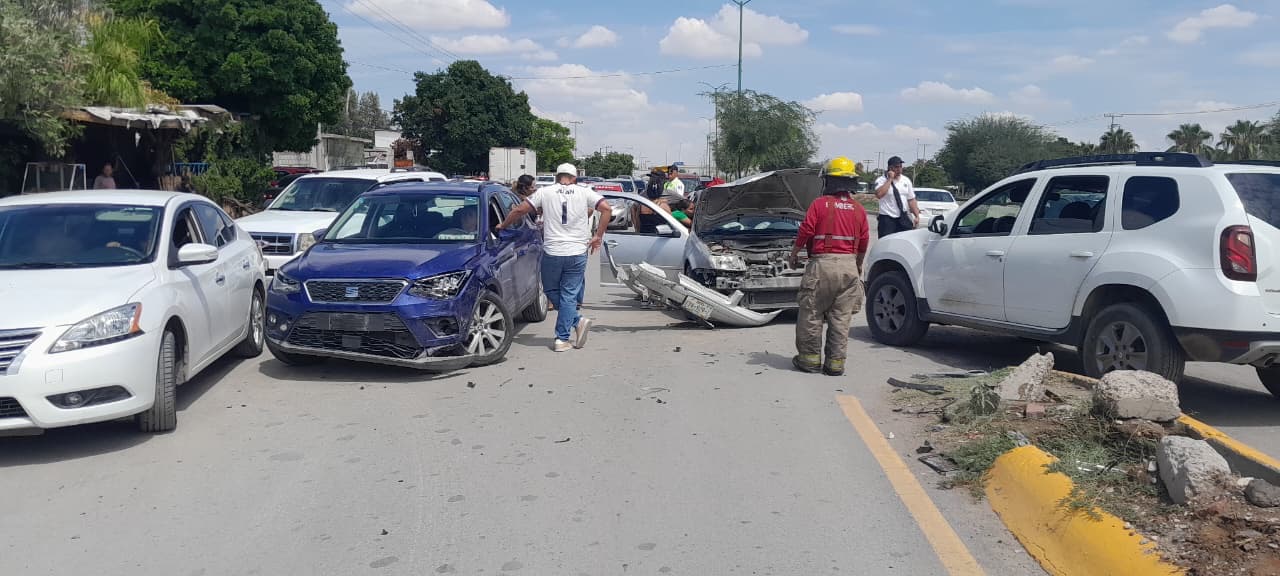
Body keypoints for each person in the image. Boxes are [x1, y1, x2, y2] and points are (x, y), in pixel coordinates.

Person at [497, 163, 611, 352]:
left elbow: (519, 210)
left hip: (552, 251)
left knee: (549, 290)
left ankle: (565, 334)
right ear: (574, 178)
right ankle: (571, 327)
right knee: (569, 294)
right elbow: (606, 209)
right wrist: (598, 236)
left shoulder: (545, 192)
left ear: (557, 176)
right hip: (577, 251)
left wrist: (503, 225)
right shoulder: (585, 192)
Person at [789, 156, 870, 376]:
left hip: (822, 266)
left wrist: (794, 253)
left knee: (812, 314)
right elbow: (864, 241)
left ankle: (809, 361)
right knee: (841, 319)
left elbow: (806, 230)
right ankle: (835, 365)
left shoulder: (819, 204)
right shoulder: (859, 209)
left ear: (829, 180)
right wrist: (858, 265)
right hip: (849, 267)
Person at [873, 156, 919, 238]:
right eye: (897, 167)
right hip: (887, 218)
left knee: (905, 240)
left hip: (903, 217)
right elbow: (879, 194)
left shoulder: (906, 180)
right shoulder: (881, 180)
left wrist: (917, 216)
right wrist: (890, 179)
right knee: (886, 242)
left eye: (901, 167)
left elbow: (911, 200)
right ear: (890, 168)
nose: (899, 169)